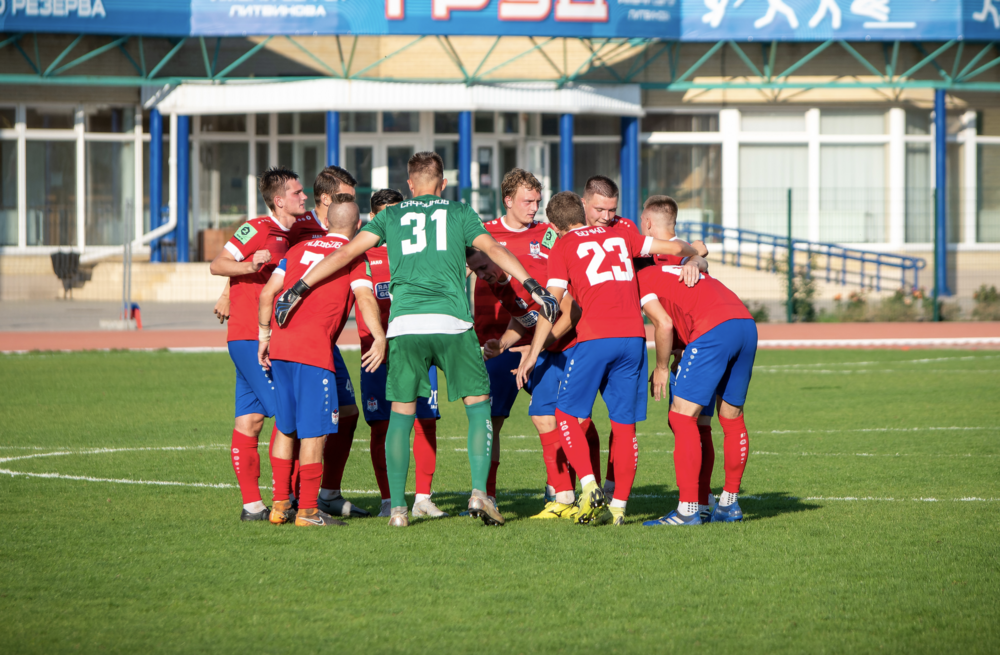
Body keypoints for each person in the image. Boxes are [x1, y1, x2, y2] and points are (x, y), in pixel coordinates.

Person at [273, 151, 559, 527]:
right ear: (443, 183)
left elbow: (346, 252)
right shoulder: (459, 212)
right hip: (452, 323)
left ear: (410, 185)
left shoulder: (391, 215)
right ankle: (478, 492)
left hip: (405, 327)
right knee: (478, 407)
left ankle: (397, 509)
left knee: (400, 417)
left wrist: (297, 287)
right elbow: (492, 250)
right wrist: (535, 287)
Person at [515, 191, 700, 525]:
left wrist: (533, 351)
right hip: (633, 339)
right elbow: (674, 247)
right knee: (624, 428)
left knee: (567, 415)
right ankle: (617, 510)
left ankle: (588, 486)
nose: (605, 214)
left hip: (595, 338)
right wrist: (695, 257)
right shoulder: (623, 232)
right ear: (584, 206)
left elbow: (551, 304)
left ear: (555, 227)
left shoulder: (563, 245)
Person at [209, 167, 324, 522]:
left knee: (251, 420)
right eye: (297, 193)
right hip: (250, 337)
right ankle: (286, 499)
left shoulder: (303, 226)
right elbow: (217, 264)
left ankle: (252, 506)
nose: (304, 198)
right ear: (279, 200)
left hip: (271, 335)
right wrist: (245, 268)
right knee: (288, 416)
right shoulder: (256, 228)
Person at [634, 196, 757, 526]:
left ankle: (688, 510)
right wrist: (697, 257)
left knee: (681, 419)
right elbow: (699, 248)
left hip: (712, 331)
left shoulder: (643, 271)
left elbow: (664, 323)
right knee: (726, 418)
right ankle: (726, 504)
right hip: (744, 322)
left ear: (646, 225)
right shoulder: (683, 252)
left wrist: (661, 367)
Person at [257, 200, 376, 527]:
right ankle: (308, 510)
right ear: (358, 225)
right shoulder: (353, 255)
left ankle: (281, 505)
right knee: (314, 433)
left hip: (280, 346)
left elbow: (267, 295)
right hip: (314, 351)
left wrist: (264, 337)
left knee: (286, 427)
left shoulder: (298, 248)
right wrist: (379, 336)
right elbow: (365, 298)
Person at [468, 248, 586, 520]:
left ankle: (593, 488)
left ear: (497, 256)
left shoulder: (532, 273)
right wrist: (504, 343)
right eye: (476, 271)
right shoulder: (498, 283)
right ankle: (563, 496)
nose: (482, 275)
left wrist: (536, 348)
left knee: (574, 419)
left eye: (484, 266)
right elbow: (524, 315)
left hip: (574, 350)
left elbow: (572, 312)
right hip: (549, 352)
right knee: (543, 417)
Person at [353, 188, 446, 519]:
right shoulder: (362, 257)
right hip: (377, 355)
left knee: (426, 421)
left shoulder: (420, 253)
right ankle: (390, 500)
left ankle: (423, 498)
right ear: (374, 218)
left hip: (420, 349)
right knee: (381, 426)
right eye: (388, 214)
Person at [471, 168, 554, 508]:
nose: (534, 207)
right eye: (527, 201)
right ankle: (487, 491)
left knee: (555, 416)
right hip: (496, 347)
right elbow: (458, 274)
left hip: (544, 342)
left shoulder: (549, 235)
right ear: (507, 200)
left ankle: (558, 489)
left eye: (537, 201)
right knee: (493, 421)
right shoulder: (482, 234)